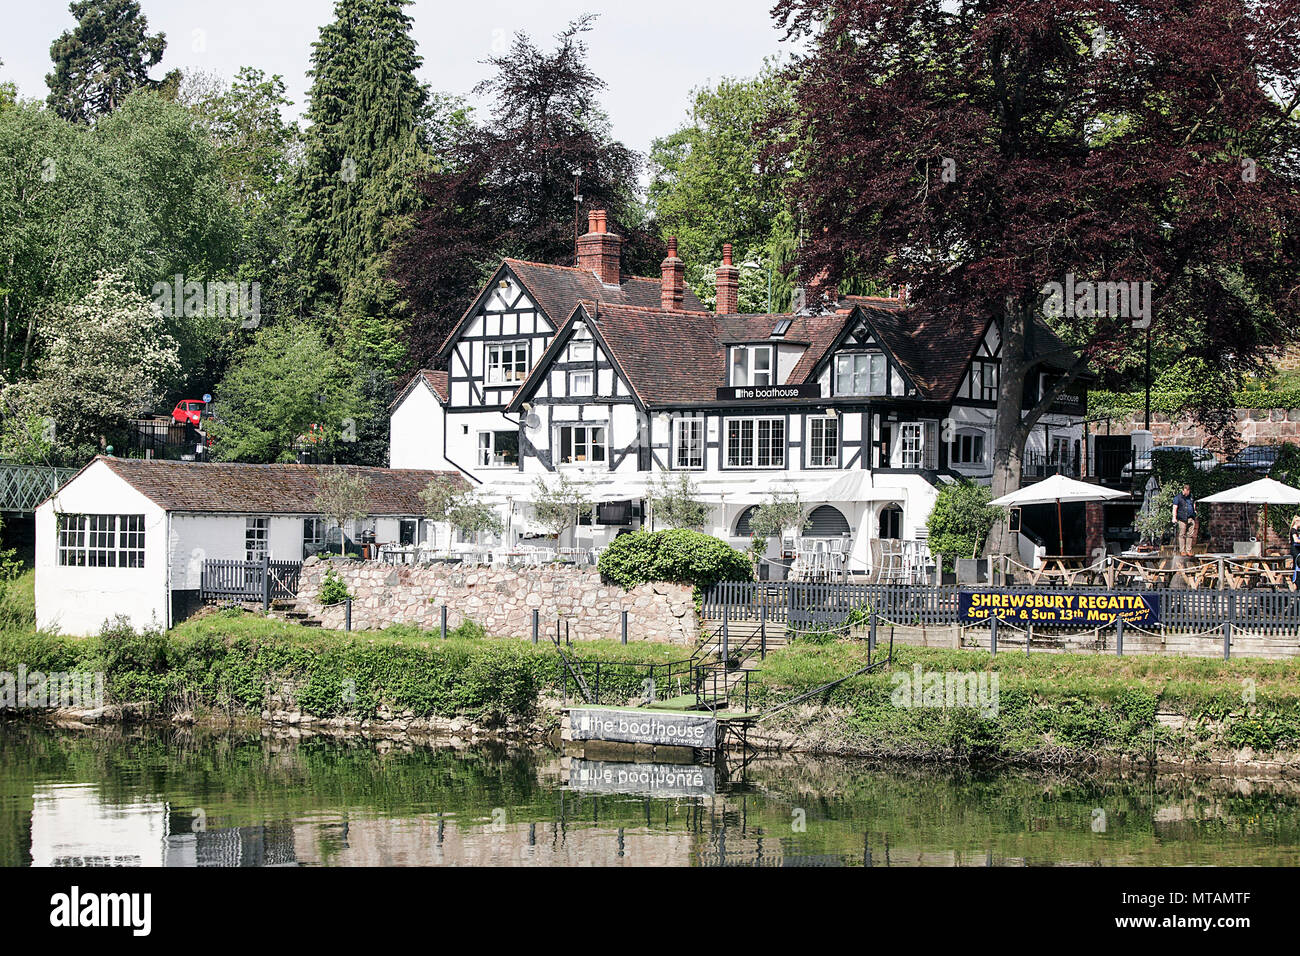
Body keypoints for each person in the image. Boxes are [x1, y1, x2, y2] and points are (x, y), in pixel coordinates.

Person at [1171, 484, 1197, 555]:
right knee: (1182, 534)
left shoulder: (1191, 497)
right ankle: (1182, 550)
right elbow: (1175, 508)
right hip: (1182, 518)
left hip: (1191, 518)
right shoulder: (1178, 498)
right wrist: (1174, 517)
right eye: (1186, 491)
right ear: (1183, 490)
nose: (1187, 493)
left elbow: (1193, 504)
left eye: (1188, 491)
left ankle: (1188, 550)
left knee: (1190, 535)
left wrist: (1194, 511)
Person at [1290, 515, 1300, 587]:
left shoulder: (1296, 531)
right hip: (1295, 550)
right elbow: (1296, 540)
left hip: (1297, 550)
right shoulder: (1293, 530)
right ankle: (1296, 582)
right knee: (1297, 566)